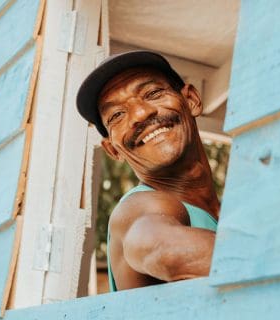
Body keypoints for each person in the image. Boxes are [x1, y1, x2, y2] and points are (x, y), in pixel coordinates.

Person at [76, 51, 220, 291]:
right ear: (113, 150)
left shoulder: (228, 214)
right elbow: (162, 249)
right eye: (117, 115)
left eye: (153, 93)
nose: (141, 114)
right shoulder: (140, 206)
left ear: (192, 100)